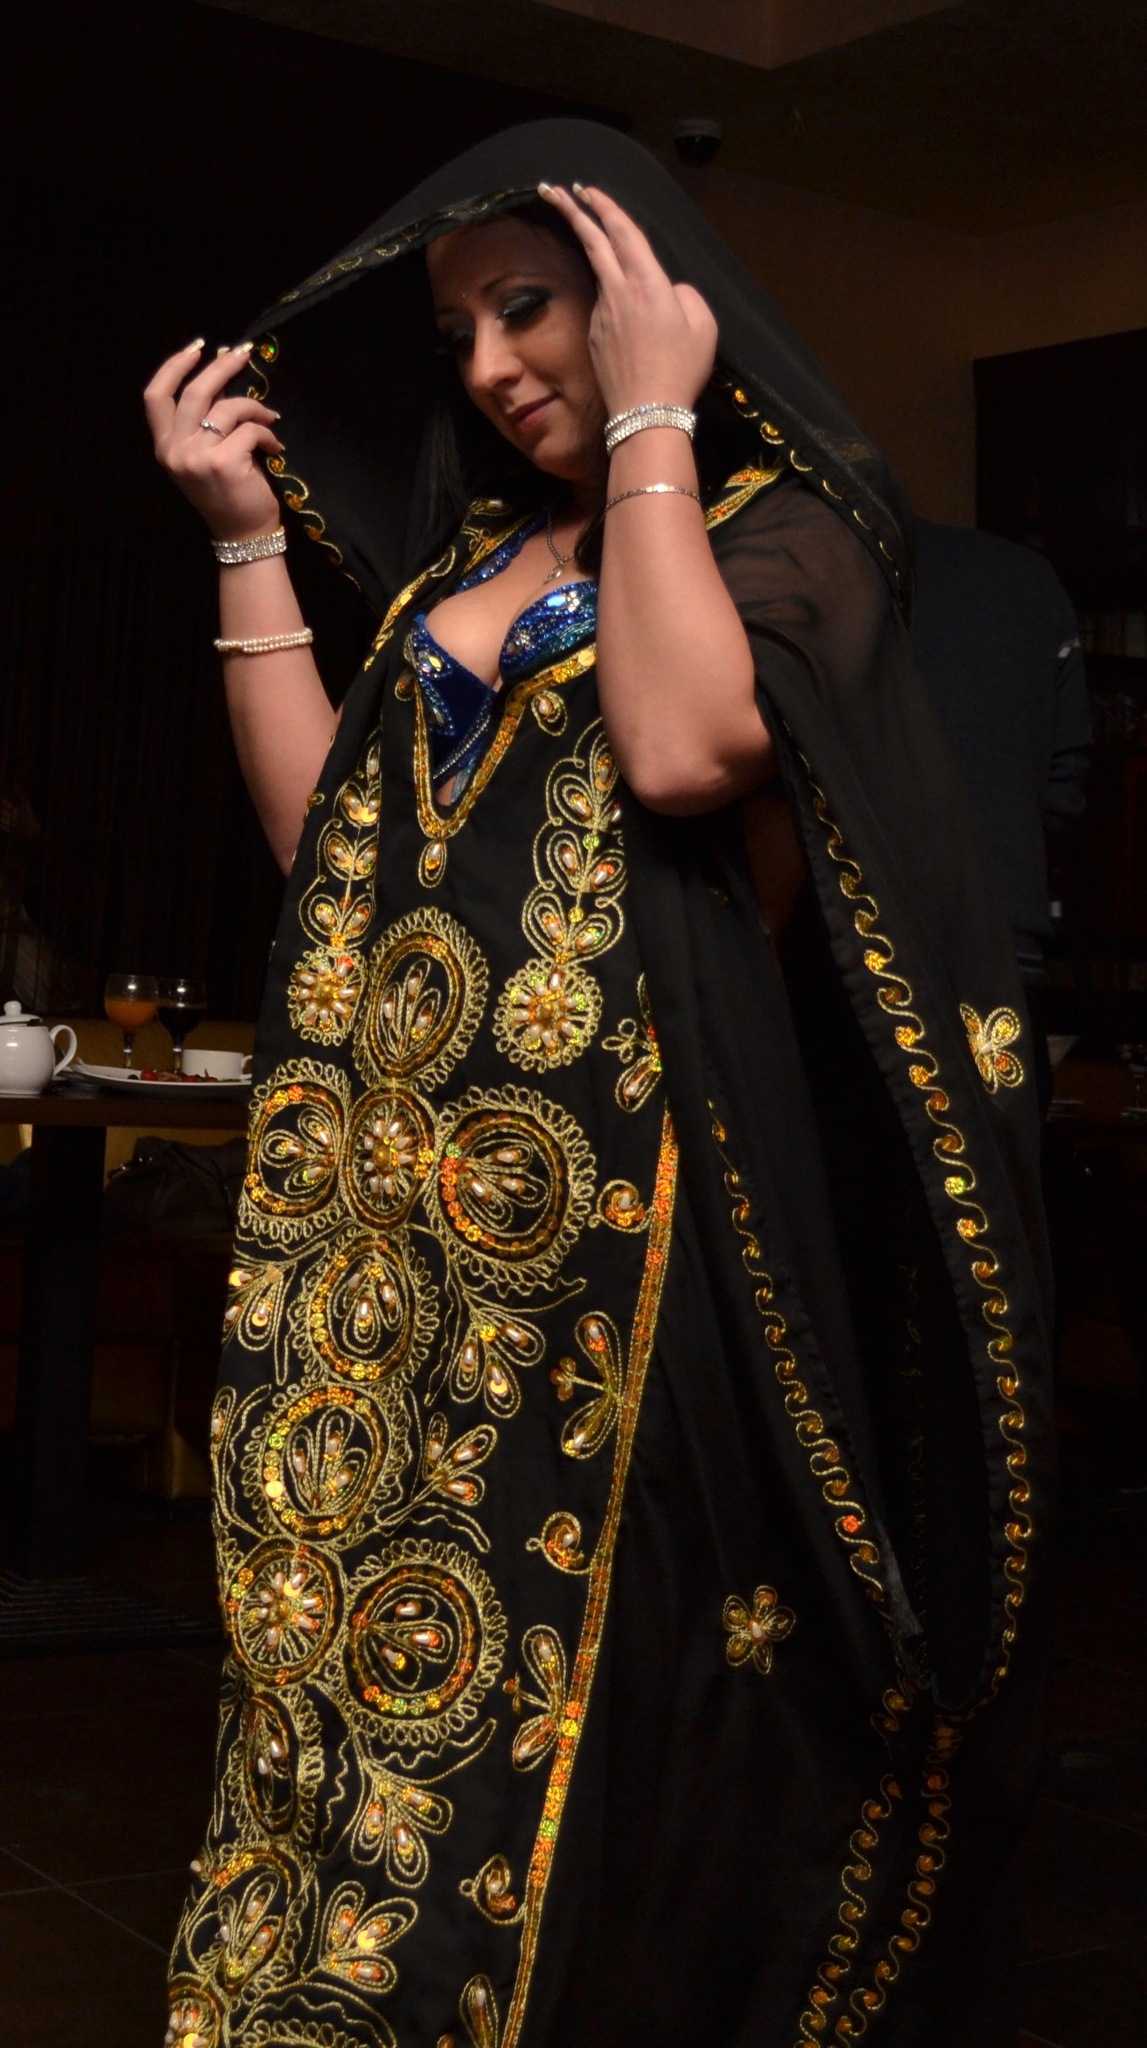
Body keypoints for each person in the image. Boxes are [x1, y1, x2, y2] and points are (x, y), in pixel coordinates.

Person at [145, 123, 1052, 2048]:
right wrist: (243, 535)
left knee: (575, 1672)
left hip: (618, 1248)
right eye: (458, 332)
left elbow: (680, 747)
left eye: (528, 306)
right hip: (388, 1227)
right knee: (348, 1631)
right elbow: (333, 855)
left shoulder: (793, 533)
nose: (489, 366)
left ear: (651, 292)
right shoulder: (466, 565)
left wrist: (654, 417)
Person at [910, 516, 1091, 983]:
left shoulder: (797, 561)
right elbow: (1064, 789)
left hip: (845, 931)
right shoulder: (1028, 577)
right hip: (1001, 929)